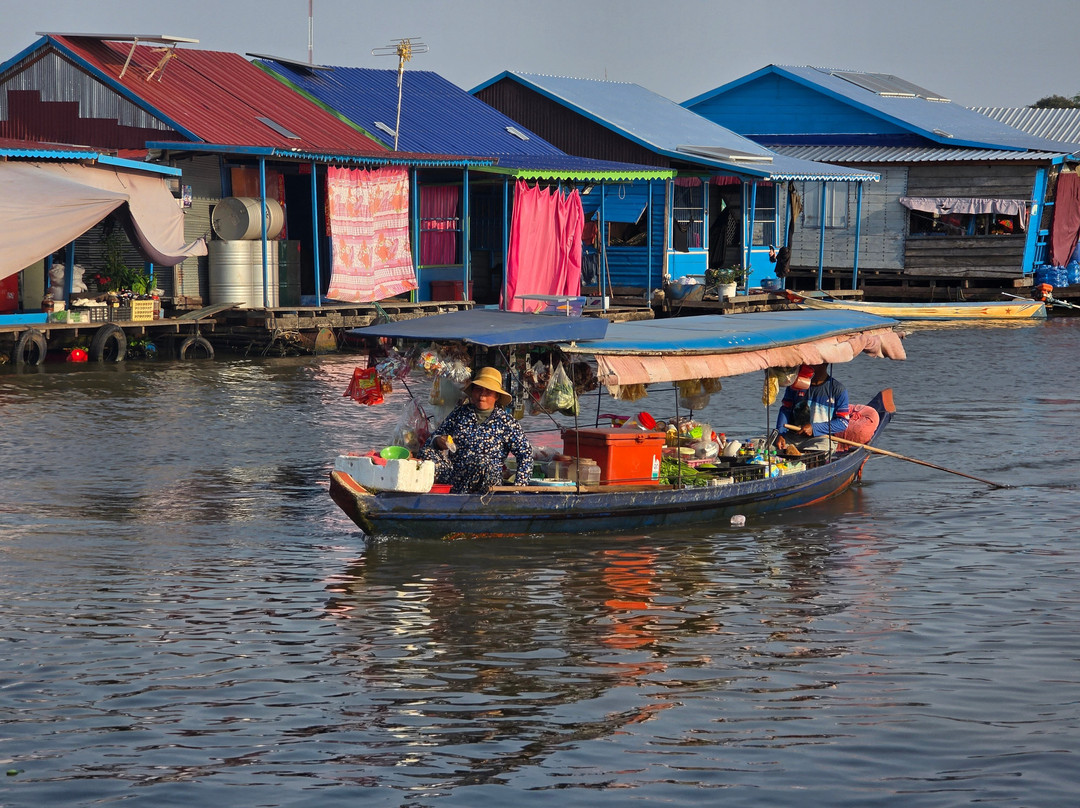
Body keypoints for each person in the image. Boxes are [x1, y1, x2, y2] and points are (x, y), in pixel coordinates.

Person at [419, 367, 534, 494]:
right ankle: (453, 494)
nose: (482, 395)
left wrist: (518, 488)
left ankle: (460, 498)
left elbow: (525, 455)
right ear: (473, 392)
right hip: (458, 475)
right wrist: (438, 441)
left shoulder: (506, 421)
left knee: (481, 462)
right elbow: (433, 439)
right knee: (426, 453)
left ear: (496, 396)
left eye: (488, 392)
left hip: (487, 479)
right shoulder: (460, 413)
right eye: (478, 390)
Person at [774, 362, 850, 453]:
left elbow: (843, 422)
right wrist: (780, 434)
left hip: (819, 438)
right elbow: (785, 409)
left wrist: (814, 428)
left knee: (823, 447)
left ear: (824, 364)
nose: (806, 365)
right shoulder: (796, 385)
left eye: (812, 362)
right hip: (792, 437)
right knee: (759, 444)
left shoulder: (837, 389)